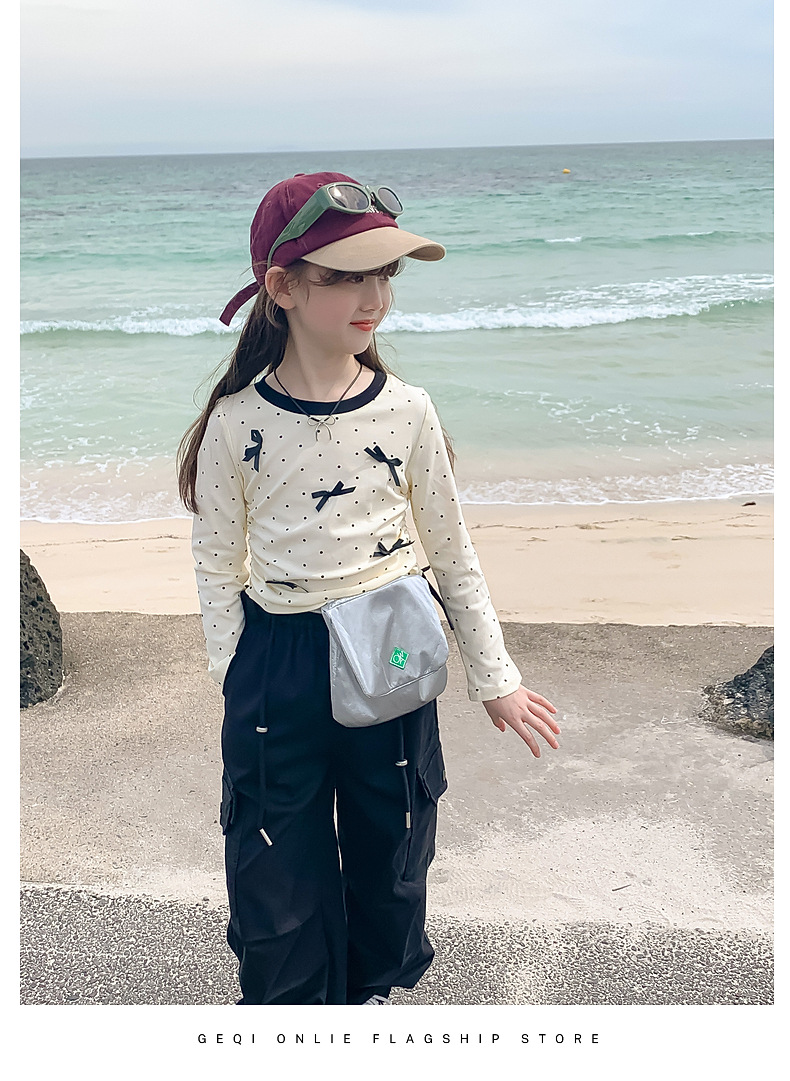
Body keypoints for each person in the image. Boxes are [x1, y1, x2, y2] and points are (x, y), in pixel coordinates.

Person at [178, 172, 560, 1006]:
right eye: (346, 276)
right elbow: (215, 563)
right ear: (282, 287)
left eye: (385, 273)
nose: (374, 296)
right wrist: (234, 671)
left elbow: (452, 551)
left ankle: (367, 1004)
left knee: (393, 850)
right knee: (273, 865)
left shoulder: (409, 410)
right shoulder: (237, 423)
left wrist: (494, 675)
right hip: (278, 660)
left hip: (391, 645)